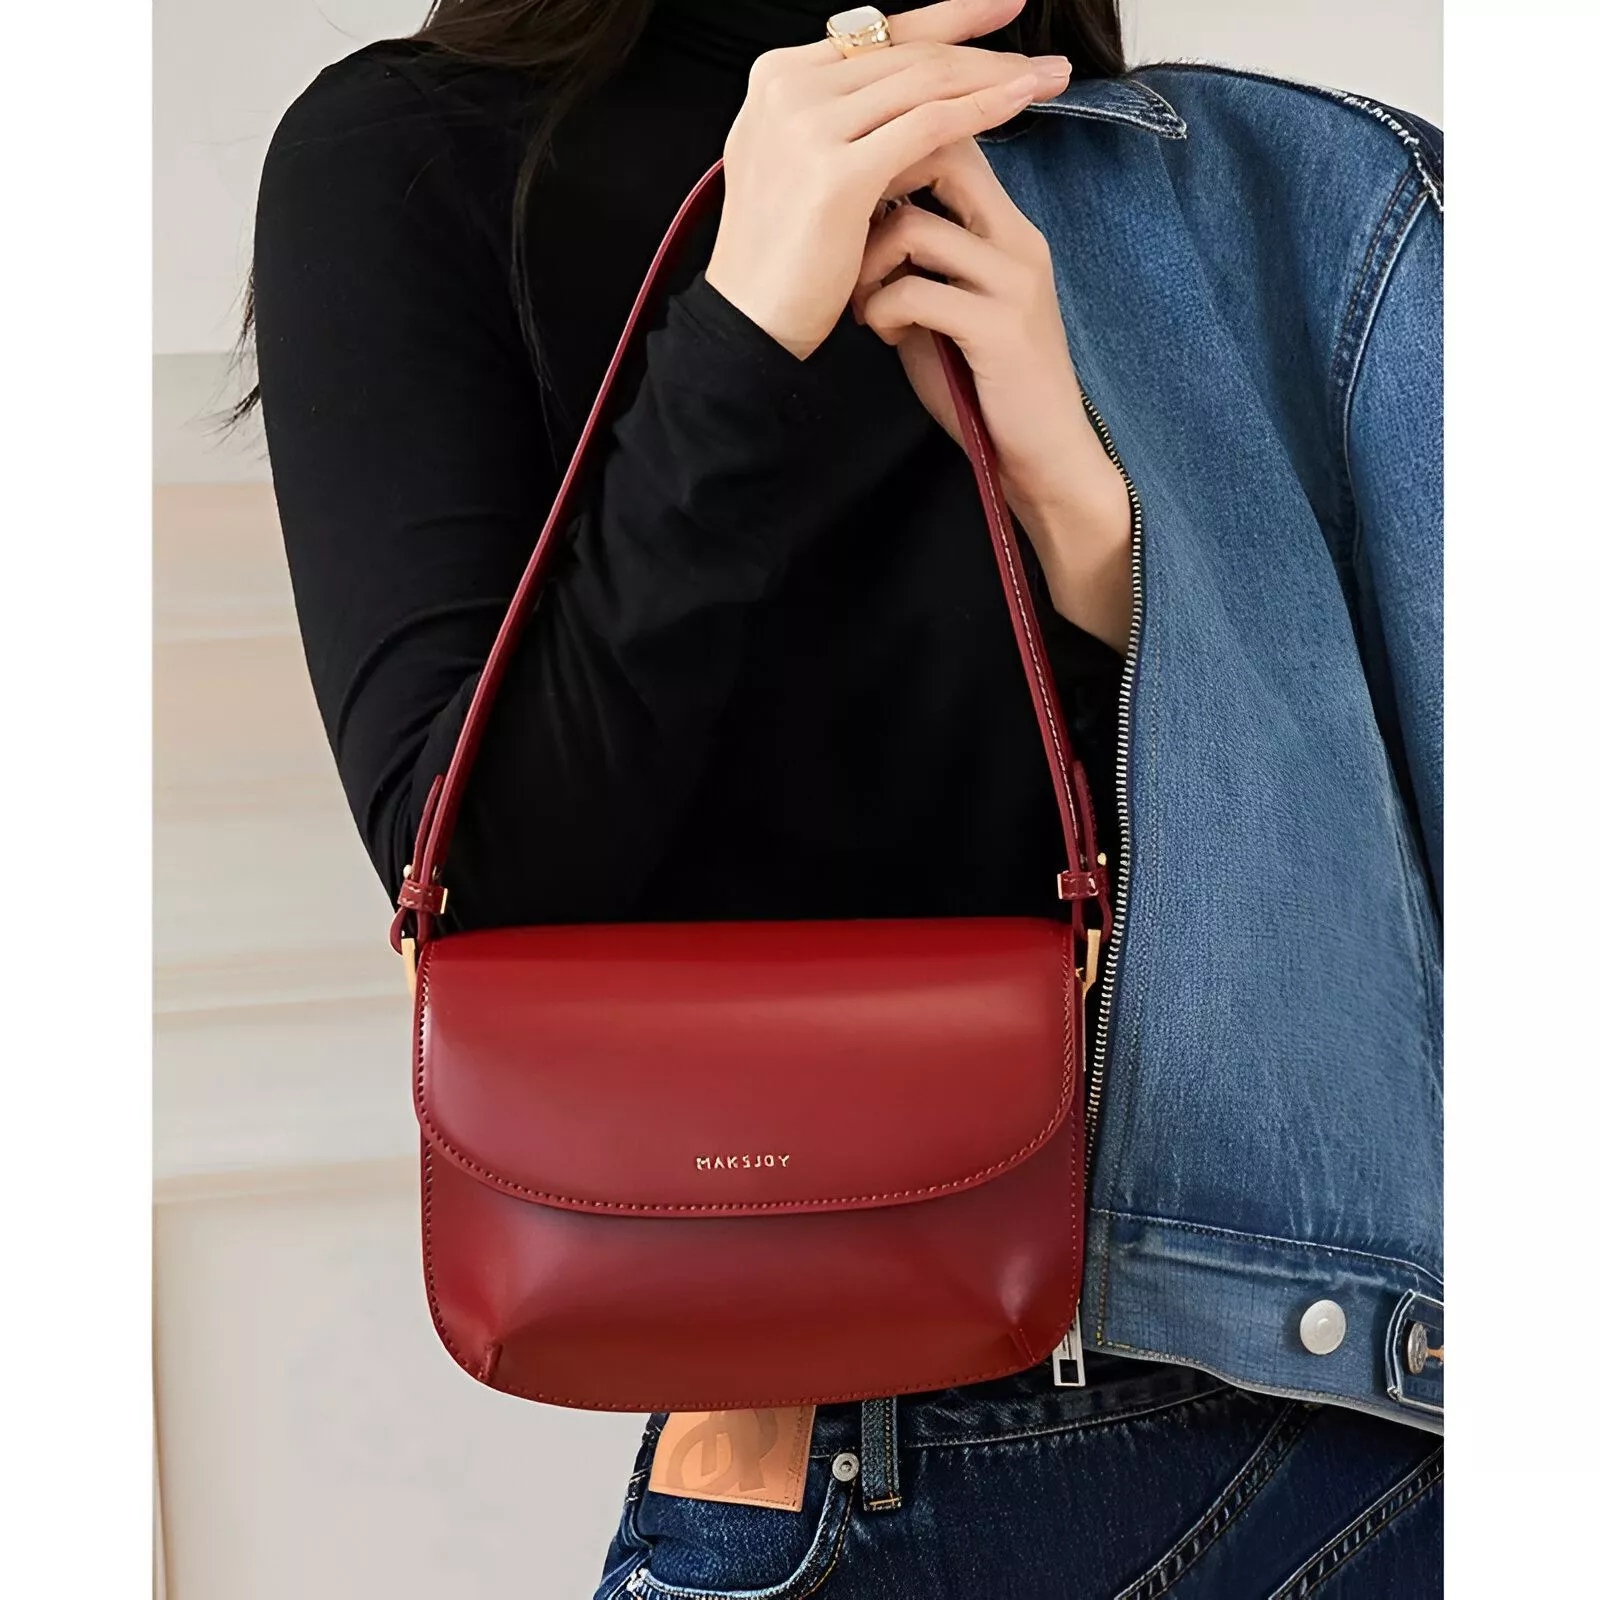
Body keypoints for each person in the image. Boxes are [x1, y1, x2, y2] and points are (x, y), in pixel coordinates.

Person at [246, 1, 1444, 1592]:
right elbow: (479, 876)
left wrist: (1087, 517)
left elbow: (1386, 864)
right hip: (856, 1438)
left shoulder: (1247, 185)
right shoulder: (420, 155)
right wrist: (743, 328)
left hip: (1373, 1405)